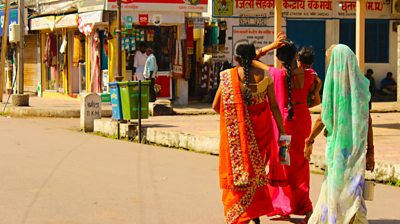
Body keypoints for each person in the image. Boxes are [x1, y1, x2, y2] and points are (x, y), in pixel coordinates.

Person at [212, 42, 286, 224]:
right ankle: (255, 210)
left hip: (240, 133)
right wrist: (282, 133)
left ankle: (243, 212)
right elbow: (275, 107)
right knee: (257, 172)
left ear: (236, 58)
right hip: (263, 130)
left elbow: (215, 106)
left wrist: (234, 117)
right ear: (254, 57)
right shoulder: (266, 76)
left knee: (241, 172)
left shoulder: (228, 78)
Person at [304, 44, 375, 224]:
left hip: (338, 150)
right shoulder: (362, 87)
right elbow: (368, 120)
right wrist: (371, 151)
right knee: (353, 188)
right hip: (356, 150)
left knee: (335, 188)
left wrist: (309, 139)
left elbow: (322, 119)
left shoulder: (332, 89)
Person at [255, 35, 320, 223]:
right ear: (296, 56)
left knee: (284, 162)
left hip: (284, 125)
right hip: (302, 121)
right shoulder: (310, 74)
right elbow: (315, 98)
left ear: (280, 58)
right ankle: (305, 207)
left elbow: (251, 58)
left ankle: (284, 204)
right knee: (300, 164)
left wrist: (271, 46)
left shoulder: (275, 74)